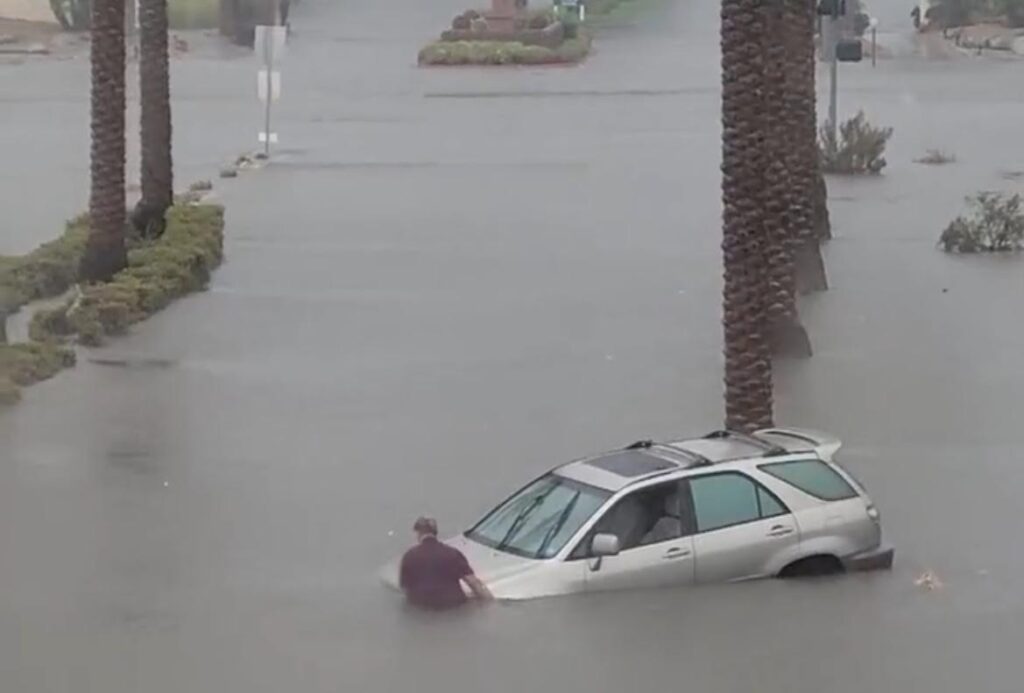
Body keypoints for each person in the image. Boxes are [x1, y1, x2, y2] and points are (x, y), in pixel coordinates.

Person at [399, 517, 492, 609]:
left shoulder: (409, 557)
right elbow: (474, 583)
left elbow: (404, 588)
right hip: (453, 607)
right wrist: (491, 604)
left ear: (418, 534)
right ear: (436, 533)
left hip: (421, 609)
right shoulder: (453, 554)